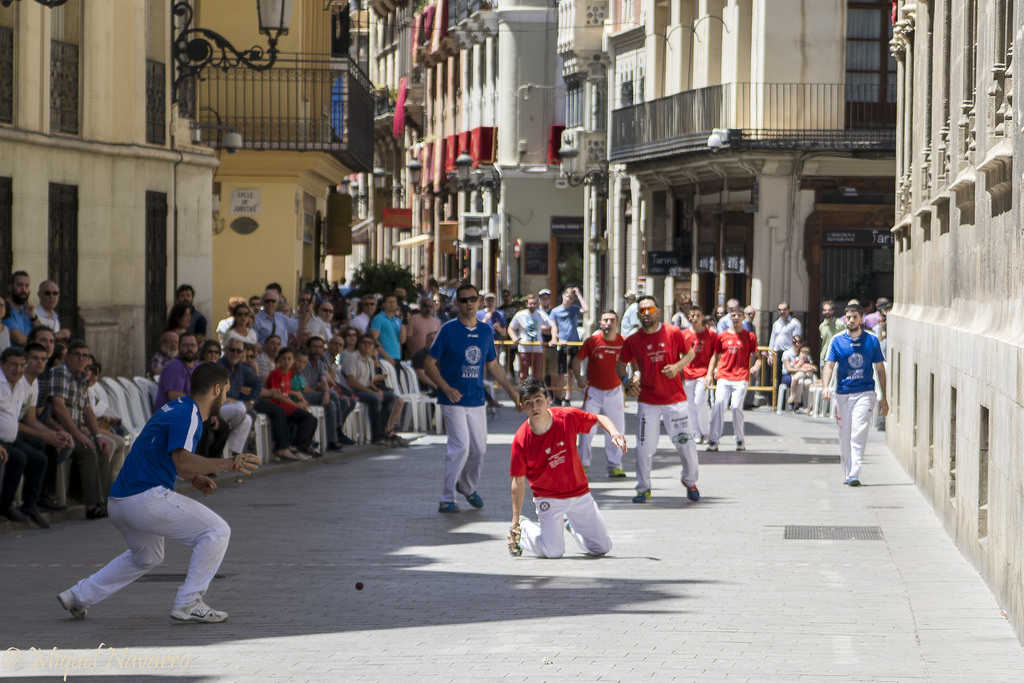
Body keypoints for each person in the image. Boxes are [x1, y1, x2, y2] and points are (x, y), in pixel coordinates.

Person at [57, 363, 261, 623]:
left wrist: (195, 477)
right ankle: (189, 602)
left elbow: (168, 458)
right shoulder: (188, 415)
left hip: (120, 501)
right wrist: (229, 463)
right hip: (144, 499)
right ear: (217, 389)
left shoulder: (177, 408)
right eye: (226, 391)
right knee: (216, 531)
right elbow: (182, 460)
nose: (226, 397)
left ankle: (78, 596)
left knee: (148, 556)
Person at [424, 282, 519, 513]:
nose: (468, 304)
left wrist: (512, 392)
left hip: (476, 399)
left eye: (472, 299)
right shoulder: (448, 330)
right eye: (464, 300)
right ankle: (447, 498)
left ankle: (466, 486)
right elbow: (429, 364)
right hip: (453, 399)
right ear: (457, 304)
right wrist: (446, 388)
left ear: (478, 301)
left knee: (479, 449)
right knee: (460, 448)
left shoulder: (486, 330)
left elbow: (493, 365)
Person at [506, 378, 622, 558]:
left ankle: (571, 525)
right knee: (554, 552)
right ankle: (526, 529)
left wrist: (614, 433)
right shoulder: (521, 439)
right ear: (522, 407)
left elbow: (600, 418)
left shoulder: (567, 417)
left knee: (602, 548)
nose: (535, 407)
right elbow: (518, 482)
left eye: (538, 400)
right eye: (528, 403)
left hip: (580, 494)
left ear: (547, 400)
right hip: (548, 499)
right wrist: (515, 520)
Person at [621, 295, 700, 503]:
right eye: (642, 311)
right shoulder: (633, 340)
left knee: (686, 445)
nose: (646, 314)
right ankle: (643, 488)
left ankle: (690, 481)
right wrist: (626, 381)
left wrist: (677, 367)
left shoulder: (673, 332)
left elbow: (690, 354)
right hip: (648, 403)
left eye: (650, 309)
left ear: (657, 311)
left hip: (675, 401)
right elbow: (621, 363)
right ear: (638, 315)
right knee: (644, 449)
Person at [39, 339, 111, 519]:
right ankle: (91, 505)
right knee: (87, 449)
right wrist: (79, 435)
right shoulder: (60, 372)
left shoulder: (82, 378)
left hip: (75, 428)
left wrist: (98, 435)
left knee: (102, 446)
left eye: (85, 356)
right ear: (68, 357)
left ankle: (106, 501)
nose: (81, 359)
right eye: (77, 355)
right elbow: (58, 407)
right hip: (56, 427)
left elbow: (87, 411)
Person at [821, 303, 888, 486]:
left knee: (858, 432)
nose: (851, 321)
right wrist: (825, 386)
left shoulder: (872, 341)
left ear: (861, 319)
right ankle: (847, 470)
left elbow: (880, 369)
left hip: (865, 392)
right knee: (845, 434)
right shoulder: (837, 340)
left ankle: (854, 473)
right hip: (842, 394)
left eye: (854, 317)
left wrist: (884, 397)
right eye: (848, 318)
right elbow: (829, 365)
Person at [571, 310, 626, 477]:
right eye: (605, 320)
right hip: (593, 392)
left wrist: (635, 377)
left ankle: (615, 465)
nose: (608, 323)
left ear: (617, 324)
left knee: (616, 429)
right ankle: (583, 465)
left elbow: (634, 362)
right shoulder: (592, 341)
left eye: (612, 320)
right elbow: (576, 360)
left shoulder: (623, 342)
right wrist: (579, 377)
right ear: (600, 323)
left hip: (614, 391)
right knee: (587, 429)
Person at [0, 348, 48, 526]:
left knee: (39, 459)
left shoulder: (21, 385)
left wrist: (50, 435)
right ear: (3, 364)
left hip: (11, 439)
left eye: (21, 365)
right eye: (13, 364)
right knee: (18, 458)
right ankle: (5, 506)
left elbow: (26, 418)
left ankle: (29, 506)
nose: (18, 369)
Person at [706, 310, 761, 452]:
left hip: (740, 377)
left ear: (743, 318)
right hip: (724, 376)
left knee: (736, 407)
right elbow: (715, 356)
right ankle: (713, 440)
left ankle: (740, 439)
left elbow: (758, 357)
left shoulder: (749, 336)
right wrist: (710, 373)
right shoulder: (722, 336)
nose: (735, 318)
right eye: (733, 316)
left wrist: (756, 366)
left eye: (738, 315)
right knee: (718, 405)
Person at [343, 334, 406, 446]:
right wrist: (373, 392)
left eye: (370, 344)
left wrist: (377, 390)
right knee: (375, 399)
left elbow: (369, 381)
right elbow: (352, 382)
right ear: (359, 345)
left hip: (366, 389)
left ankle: (386, 430)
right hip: (353, 391)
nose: (367, 346)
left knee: (391, 397)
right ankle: (377, 436)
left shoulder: (370, 360)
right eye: (364, 343)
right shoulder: (352, 358)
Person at [264, 348, 318, 459]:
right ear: (279, 360)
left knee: (309, 417)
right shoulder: (276, 374)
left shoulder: (289, 374)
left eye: (289, 359)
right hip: (278, 404)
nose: (287, 361)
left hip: (286, 404)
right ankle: (298, 447)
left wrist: (298, 398)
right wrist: (296, 405)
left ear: (293, 361)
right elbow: (278, 395)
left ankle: (298, 446)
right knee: (309, 418)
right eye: (284, 358)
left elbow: (287, 392)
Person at [681, 306, 716, 444]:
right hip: (688, 373)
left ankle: (706, 431)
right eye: (692, 316)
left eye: (697, 315)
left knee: (699, 401)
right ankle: (695, 432)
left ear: (702, 317)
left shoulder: (711, 334)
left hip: (703, 373)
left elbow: (715, 354)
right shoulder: (684, 334)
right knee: (690, 404)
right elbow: (680, 354)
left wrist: (710, 373)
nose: (694, 318)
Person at [549, 286, 587, 405]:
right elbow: (554, 326)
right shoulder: (555, 311)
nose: (569, 300)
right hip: (563, 344)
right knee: (561, 372)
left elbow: (585, 309)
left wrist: (579, 295)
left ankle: (568, 397)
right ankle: (558, 397)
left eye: (571, 298)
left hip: (574, 343)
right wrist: (555, 338)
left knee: (572, 372)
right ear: (563, 296)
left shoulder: (574, 309)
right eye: (567, 297)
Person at [155, 334, 199, 409]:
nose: (189, 349)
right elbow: (175, 396)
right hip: (170, 416)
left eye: (192, 345)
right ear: (179, 348)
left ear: (197, 347)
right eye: (185, 345)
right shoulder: (175, 366)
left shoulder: (197, 367)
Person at [508, 294, 545, 381]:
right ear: (526, 304)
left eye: (535, 303)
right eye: (530, 303)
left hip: (537, 349)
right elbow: (510, 328)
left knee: (537, 376)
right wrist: (514, 338)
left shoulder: (541, 314)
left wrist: (553, 336)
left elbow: (552, 325)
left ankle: (535, 393)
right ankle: (523, 394)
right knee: (523, 375)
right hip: (524, 348)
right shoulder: (520, 314)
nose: (532, 306)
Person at [370, 293, 406, 366]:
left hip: (397, 357)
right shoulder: (378, 318)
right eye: (389, 302)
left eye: (394, 302)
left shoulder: (398, 320)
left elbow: (402, 340)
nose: (392, 304)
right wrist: (387, 357)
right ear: (383, 304)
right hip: (383, 358)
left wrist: (402, 321)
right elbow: (374, 339)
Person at [4, 271, 34, 347]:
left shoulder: (26, 309)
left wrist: (34, 317)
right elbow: (19, 339)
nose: (24, 290)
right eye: (19, 285)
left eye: (27, 286)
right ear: (10, 287)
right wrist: (41, 343)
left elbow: (42, 331)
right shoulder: (4, 309)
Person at [818, 300, 845, 367]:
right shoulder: (822, 326)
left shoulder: (840, 324)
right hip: (824, 357)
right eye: (825, 310)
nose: (827, 312)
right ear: (822, 312)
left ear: (833, 311)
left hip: (837, 357)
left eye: (829, 310)